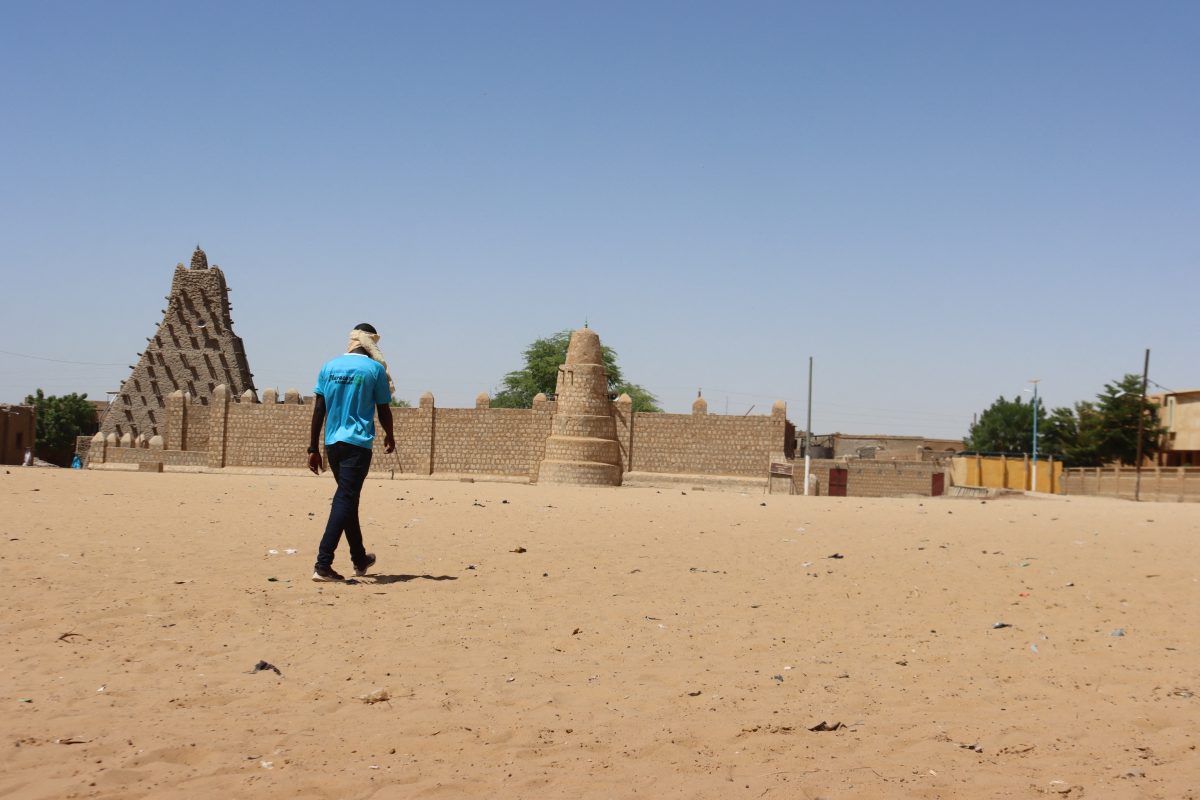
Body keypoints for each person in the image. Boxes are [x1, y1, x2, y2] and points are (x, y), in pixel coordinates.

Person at [308, 323, 396, 582]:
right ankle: (323, 564)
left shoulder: (329, 366)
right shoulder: (374, 369)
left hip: (332, 444)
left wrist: (313, 448)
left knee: (348, 500)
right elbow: (384, 408)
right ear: (372, 344)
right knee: (345, 499)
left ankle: (359, 558)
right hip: (358, 445)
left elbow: (318, 410)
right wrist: (390, 435)